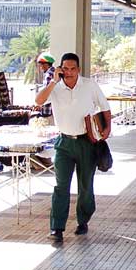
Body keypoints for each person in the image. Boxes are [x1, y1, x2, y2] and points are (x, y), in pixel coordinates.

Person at [35, 52, 112, 244]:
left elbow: (104, 107)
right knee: (61, 186)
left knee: (85, 185)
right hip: (64, 144)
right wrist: (53, 82)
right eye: (65, 68)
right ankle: (56, 228)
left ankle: (83, 220)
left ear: (78, 69)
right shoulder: (55, 87)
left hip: (86, 142)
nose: (69, 72)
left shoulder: (89, 85)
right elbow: (39, 101)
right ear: (60, 68)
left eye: (73, 69)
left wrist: (106, 130)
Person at [36, 52, 55, 118]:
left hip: (48, 111)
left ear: (46, 64)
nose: (41, 68)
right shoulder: (54, 72)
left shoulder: (49, 75)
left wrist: (39, 104)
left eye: (41, 65)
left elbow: (46, 93)